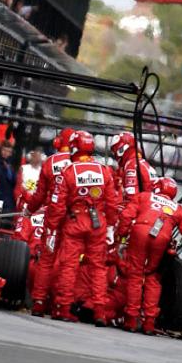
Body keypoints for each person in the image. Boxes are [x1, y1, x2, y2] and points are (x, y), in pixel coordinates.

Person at [44, 130, 118, 324]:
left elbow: (57, 203)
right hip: (98, 224)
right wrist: (110, 226)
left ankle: (63, 308)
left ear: (74, 147)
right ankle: (100, 311)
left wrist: (52, 227)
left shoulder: (69, 171)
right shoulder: (104, 171)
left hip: (75, 222)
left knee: (69, 265)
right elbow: (112, 203)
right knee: (98, 268)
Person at [114, 177, 182, 334]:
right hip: (161, 239)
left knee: (135, 276)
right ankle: (149, 322)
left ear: (158, 187)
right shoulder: (177, 208)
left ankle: (132, 320)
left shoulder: (144, 196)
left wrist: (121, 238)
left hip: (139, 232)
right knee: (153, 279)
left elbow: (126, 216)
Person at [22, 128, 74, 316]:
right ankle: (61, 305)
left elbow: (39, 194)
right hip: (72, 220)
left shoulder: (51, 162)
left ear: (59, 142)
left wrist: (28, 210)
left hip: (52, 217)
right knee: (68, 263)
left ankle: (39, 302)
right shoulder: (82, 164)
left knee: (45, 260)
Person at [109, 131, 157, 205]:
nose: (114, 155)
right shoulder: (143, 163)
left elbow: (132, 198)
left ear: (121, 149)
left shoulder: (131, 165)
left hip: (142, 210)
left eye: (114, 151)